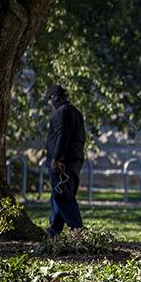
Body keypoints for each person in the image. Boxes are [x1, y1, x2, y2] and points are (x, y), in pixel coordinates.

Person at [44, 84, 87, 237]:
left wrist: (56, 159)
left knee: (62, 196)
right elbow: (82, 137)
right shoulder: (76, 113)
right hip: (75, 161)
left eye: (51, 99)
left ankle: (77, 229)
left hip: (62, 163)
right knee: (60, 195)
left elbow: (63, 136)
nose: (51, 103)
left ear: (55, 98)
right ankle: (53, 230)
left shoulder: (59, 113)